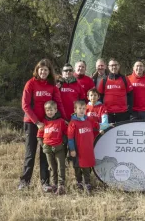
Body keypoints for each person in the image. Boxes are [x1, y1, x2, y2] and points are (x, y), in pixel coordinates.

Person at [19, 59, 67, 191]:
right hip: (32, 123)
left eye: (46, 70)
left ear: (49, 71)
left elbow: (59, 103)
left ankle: (45, 183)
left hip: (48, 125)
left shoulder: (52, 86)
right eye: (41, 69)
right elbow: (25, 105)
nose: (43, 72)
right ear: (37, 70)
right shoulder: (30, 83)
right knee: (30, 153)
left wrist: (64, 118)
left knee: (45, 154)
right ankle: (24, 182)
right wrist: (37, 122)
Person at [68, 100, 103, 194]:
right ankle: (79, 182)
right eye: (80, 108)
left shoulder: (89, 120)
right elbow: (70, 138)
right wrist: (72, 149)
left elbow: (98, 126)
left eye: (84, 109)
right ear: (75, 109)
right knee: (77, 167)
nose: (82, 110)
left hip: (88, 150)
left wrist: (105, 127)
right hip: (77, 150)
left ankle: (87, 183)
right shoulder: (73, 123)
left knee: (87, 167)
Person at [36, 101, 67, 195]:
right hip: (48, 148)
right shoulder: (43, 122)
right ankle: (54, 184)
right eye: (47, 110)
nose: (49, 112)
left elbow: (66, 133)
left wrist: (63, 143)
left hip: (59, 148)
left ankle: (61, 185)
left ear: (56, 110)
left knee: (60, 166)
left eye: (51, 110)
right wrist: (43, 145)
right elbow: (39, 136)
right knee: (52, 167)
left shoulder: (61, 121)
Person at [97, 58, 134, 123]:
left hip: (123, 113)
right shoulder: (104, 80)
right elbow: (99, 96)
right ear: (108, 67)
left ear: (119, 66)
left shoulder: (125, 79)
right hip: (108, 113)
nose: (114, 67)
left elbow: (130, 95)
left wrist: (129, 110)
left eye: (115, 65)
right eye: (111, 65)